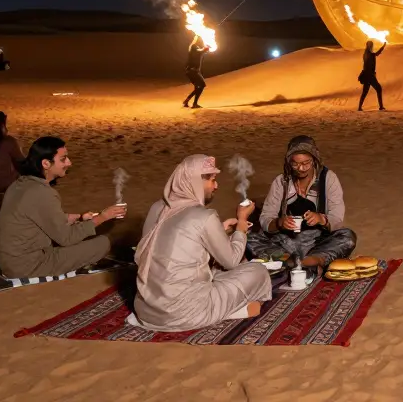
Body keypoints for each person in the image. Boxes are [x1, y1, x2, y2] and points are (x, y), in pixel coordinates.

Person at [132, 154, 273, 331]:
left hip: (146, 311)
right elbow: (231, 261)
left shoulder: (157, 207)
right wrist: (242, 224)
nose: (216, 185)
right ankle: (232, 311)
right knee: (258, 271)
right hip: (185, 313)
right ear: (195, 182)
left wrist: (219, 230)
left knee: (213, 269)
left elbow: (178, 243)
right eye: (212, 180)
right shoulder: (205, 216)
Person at [0, 136, 125, 278]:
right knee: (103, 243)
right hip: (27, 265)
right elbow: (66, 239)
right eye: (63, 159)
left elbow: (35, 219)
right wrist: (102, 217)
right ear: (45, 163)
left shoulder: (20, 183)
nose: (69, 162)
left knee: (82, 236)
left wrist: (76, 218)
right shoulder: (42, 193)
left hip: (8, 260)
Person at [248, 136, 357, 273]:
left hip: (318, 241)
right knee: (249, 238)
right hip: (286, 242)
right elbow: (265, 218)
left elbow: (337, 219)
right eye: (295, 164)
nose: (301, 168)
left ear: (315, 160)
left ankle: (309, 262)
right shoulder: (281, 182)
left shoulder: (328, 179)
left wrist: (321, 219)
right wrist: (279, 223)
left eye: (306, 163)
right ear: (289, 162)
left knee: (347, 237)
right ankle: (291, 261)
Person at [358, 39, 387, 111]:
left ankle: (359, 107)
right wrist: (383, 46)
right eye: (370, 45)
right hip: (369, 75)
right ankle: (381, 107)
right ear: (368, 46)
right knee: (378, 88)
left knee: (365, 91)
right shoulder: (369, 54)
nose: (371, 46)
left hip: (368, 75)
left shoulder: (367, 53)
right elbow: (377, 53)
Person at [182, 36, 210, 109]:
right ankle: (194, 103)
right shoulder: (194, 47)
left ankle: (188, 101)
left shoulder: (195, 47)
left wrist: (206, 49)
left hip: (193, 71)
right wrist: (205, 49)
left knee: (197, 87)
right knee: (202, 85)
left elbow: (201, 52)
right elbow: (199, 51)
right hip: (192, 71)